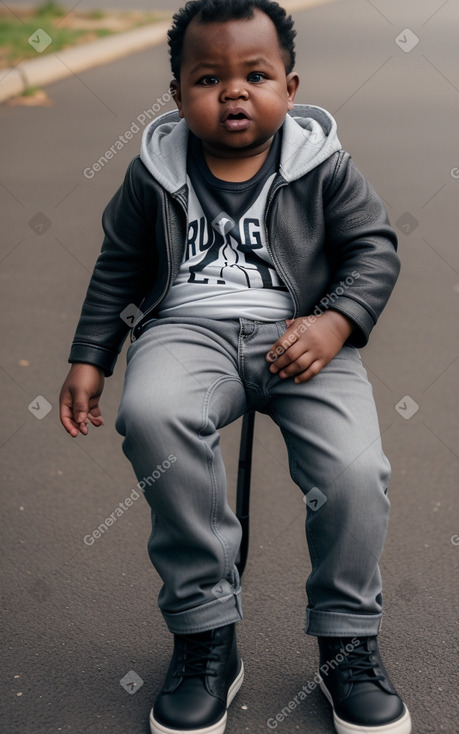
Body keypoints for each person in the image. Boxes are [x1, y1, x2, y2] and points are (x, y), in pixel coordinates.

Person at [59, 1, 412, 733]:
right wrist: (90, 358)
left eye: (255, 74)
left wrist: (335, 320)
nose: (233, 92)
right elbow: (118, 270)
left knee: (353, 470)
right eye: (207, 78)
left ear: (289, 84)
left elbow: (373, 250)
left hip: (306, 337)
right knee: (151, 413)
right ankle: (204, 635)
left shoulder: (323, 167)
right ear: (177, 93)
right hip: (188, 331)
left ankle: (347, 643)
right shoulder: (152, 174)